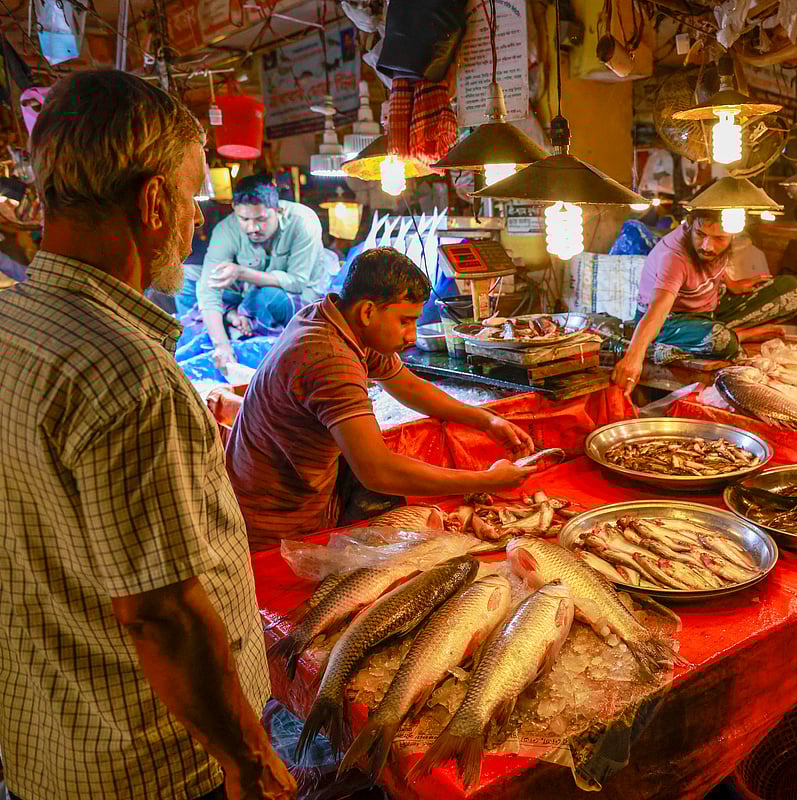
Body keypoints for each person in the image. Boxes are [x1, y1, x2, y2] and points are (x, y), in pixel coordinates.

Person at [0, 70, 293, 800]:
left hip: (50, 733)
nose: (197, 219)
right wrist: (247, 757)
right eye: (193, 197)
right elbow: (160, 614)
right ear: (155, 202)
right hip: (155, 762)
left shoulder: (13, 322)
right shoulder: (126, 374)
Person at [227, 247, 536, 551]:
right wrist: (485, 481)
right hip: (275, 519)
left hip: (301, 494)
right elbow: (377, 471)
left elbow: (407, 386)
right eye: (405, 321)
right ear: (367, 311)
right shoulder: (330, 357)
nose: (411, 336)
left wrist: (485, 419)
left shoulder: (337, 319)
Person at [611, 208, 797, 392]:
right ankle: (741, 334)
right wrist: (633, 356)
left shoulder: (724, 238)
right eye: (701, 234)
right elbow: (659, 308)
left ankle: (724, 330)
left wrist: (732, 285)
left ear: (734, 231)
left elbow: (715, 266)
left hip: (708, 311)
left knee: (791, 292)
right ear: (689, 223)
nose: (708, 246)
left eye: (719, 238)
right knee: (722, 341)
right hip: (669, 322)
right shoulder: (673, 257)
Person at [178, 175, 326, 369]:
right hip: (247, 295)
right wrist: (221, 346)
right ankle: (230, 325)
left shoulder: (303, 221)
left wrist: (241, 272)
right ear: (235, 211)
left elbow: (297, 282)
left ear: (278, 210)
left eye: (261, 219)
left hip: (297, 297)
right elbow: (209, 290)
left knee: (265, 298)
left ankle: (246, 332)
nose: (252, 227)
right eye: (244, 219)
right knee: (185, 280)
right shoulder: (226, 229)